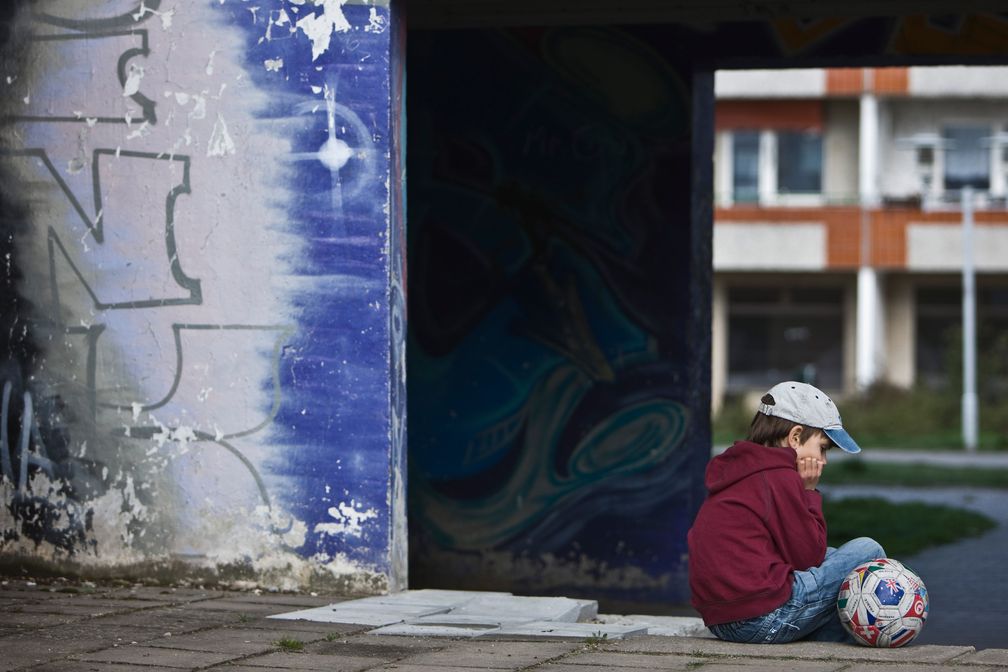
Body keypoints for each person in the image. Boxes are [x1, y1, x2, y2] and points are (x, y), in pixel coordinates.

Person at [688, 381, 885, 644]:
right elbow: (807, 558)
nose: (824, 460)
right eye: (823, 448)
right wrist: (809, 492)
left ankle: (834, 635)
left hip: (724, 620)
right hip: (761, 615)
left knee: (836, 558)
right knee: (866, 552)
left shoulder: (742, 469)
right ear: (794, 437)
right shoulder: (779, 476)